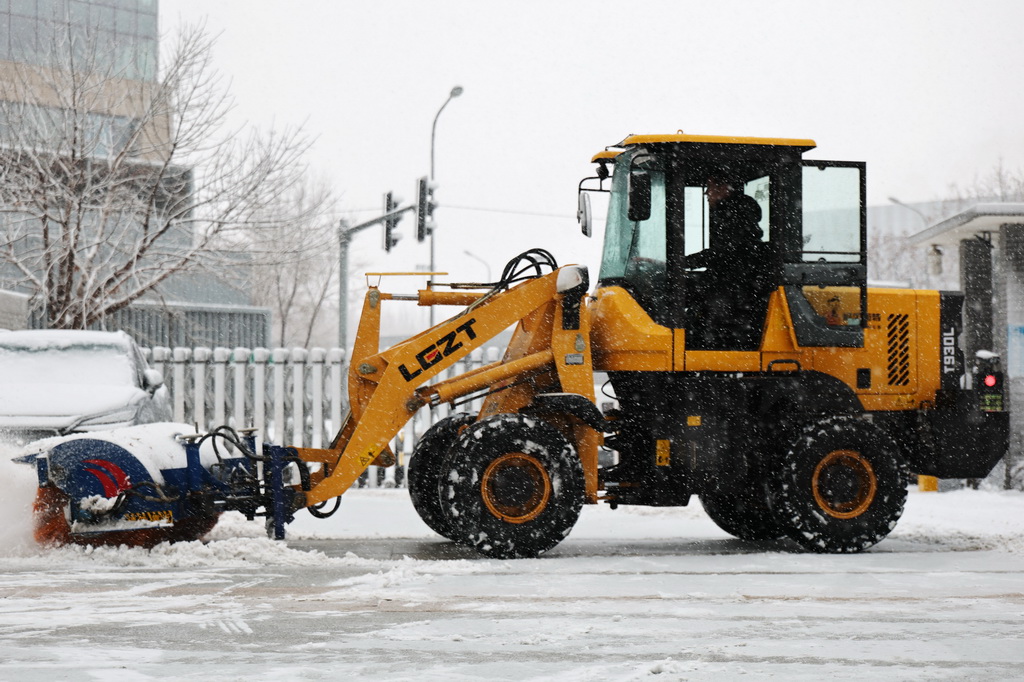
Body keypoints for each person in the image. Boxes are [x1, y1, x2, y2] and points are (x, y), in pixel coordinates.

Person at [687, 177, 774, 349]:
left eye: (710, 186)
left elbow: (723, 253)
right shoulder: (730, 215)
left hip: (736, 292)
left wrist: (677, 263)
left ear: (724, 188)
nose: (706, 192)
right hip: (734, 286)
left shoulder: (734, 215)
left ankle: (705, 345)